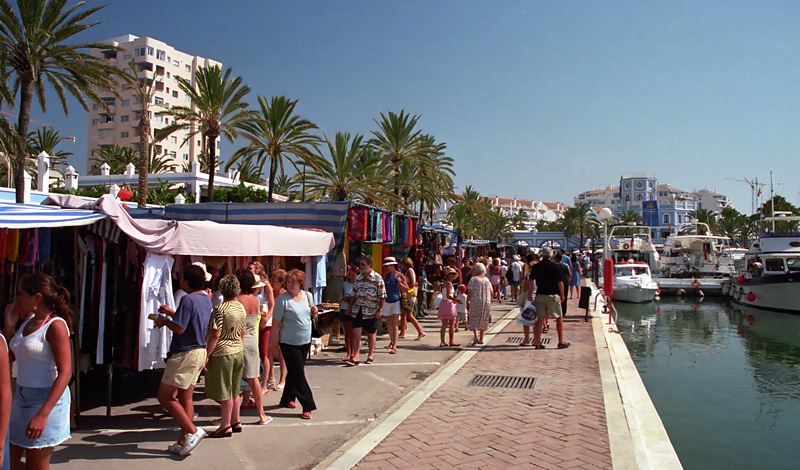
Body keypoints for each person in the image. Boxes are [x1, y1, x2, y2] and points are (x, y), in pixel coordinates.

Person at [4, 274, 73, 469]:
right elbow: (11, 357)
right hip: (21, 397)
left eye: (20, 295)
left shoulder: (55, 325)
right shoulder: (28, 322)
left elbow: (66, 372)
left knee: (36, 465)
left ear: (37, 298)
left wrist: (43, 414)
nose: (16, 300)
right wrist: (9, 327)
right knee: (8, 460)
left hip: (46, 399)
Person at [154, 265, 211, 455]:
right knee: (186, 397)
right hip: (199, 351)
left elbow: (180, 328)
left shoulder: (187, 299)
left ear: (186, 281)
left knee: (165, 397)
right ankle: (183, 439)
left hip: (185, 353)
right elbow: (191, 321)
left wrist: (164, 321)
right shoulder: (205, 299)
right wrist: (172, 313)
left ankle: (193, 432)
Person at [270, 269, 317, 419]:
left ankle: (287, 398)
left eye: (293, 282)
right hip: (288, 341)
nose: (290, 285)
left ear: (300, 284)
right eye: (288, 282)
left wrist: (315, 313)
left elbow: (310, 317)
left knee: (295, 371)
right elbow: (275, 324)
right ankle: (307, 404)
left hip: (305, 340)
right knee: (298, 373)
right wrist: (274, 344)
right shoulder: (282, 300)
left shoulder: (308, 296)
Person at [204, 274, 247, 438]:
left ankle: (225, 424)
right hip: (238, 350)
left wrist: (207, 355)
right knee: (235, 389)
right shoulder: (240, 307)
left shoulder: (219, 309)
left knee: (225, 391)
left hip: (223, 352)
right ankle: (236, 421)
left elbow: (216, 334)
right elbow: (242, 331)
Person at [235, 270, 272, 425]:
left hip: (238, 339)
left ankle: (232, 417)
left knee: (234, 381)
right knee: (254, 378)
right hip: (252, 341)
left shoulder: (236, 300)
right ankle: (262, 414)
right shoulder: (255, 300)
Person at [346, 256, 386, 366]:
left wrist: (380, 310)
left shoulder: (377, 278)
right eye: (360, 264)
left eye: (363, 264)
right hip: (358, 309)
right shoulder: (358, 278)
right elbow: (353, 294)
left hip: (371, 310)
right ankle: (356, 356)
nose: (361, 266)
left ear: (370, 265)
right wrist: (350, 307)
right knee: (356, 332)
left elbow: (382, 296)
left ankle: (370, 354)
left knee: (370, 333)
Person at [529, 247, 569, 350]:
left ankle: (537, 341)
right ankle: (560, 341)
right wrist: (562, 295)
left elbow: (531, 281)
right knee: (559, 317)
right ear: (552, 255)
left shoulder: (537, 266)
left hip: (540, 294)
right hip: (552, 295)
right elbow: (560, 282)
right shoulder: (555, 266)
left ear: (542, 255)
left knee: (540, 319)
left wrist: (530, 295)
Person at [249, 262, 275, 395]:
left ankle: (264, 385)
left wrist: (266, 319)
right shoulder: (251, 286)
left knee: (264, 352)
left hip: (264, 322)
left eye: (251, 268)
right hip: (253, 320)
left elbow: (272, 304)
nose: (249, 270)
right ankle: (253, 384)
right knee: (254, 352)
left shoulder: (266, 286)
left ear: (258, 271)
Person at [382, 257, 408, 354]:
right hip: (387, 301)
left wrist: (400, 283)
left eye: (388, 266)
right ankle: (392, 341)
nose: (387, 268)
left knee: (395, 324)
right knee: (388, 324)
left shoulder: (400, 276)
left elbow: (407, 288)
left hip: (396, 300)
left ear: (392, 265)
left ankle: (395, 345)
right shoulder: (386, 276)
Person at [267, 269, 288, 391]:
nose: (272, 283)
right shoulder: (270, 293)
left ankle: (282, 379)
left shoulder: (284, 295)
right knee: (269, 350)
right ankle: (271, 377)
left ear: (281, 283)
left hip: (282, 326)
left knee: (282, 355)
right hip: (272, 326)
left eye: (274, 281)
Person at [398, 257, 425, 340]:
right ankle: (402, 332)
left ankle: (420, 331)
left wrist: (402, 285)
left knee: (409, 314)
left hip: (409, 295)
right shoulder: (408, 271)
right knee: (404, 314)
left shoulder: (409, 271)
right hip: (407, 295)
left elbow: (412, 284)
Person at [467, 263, 493, 346]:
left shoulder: (473, 279)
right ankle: (481, 338)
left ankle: (475, 336)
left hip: (475, 300)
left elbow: (470, 291)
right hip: (486, 301)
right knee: (484, 317)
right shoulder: (487, 280)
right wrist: (490, 299)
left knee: (474, 317)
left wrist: (467, 301)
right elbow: (491, 292)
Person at [340, 266, 359, 363]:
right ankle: (348, 353)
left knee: (352, 333)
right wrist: (343, 298)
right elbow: (341, 295)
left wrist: (350, 302)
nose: (351, 277)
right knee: (346, 333)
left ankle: (353, 353)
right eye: (350, 275)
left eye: (353, 275)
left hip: (353, 310)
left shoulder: (358, 285)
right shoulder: (344, 284)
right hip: (344, 308)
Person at [437, 268, 460, 347]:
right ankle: (451, 340)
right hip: (449, 304)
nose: (454, 276)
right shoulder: (449, 284)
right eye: (452, 274)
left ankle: (442, 341)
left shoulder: (444, 283)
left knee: (444, 324)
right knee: (451, 324)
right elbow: (448, 295)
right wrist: (456, 300)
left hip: (443, 303)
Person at [554, 253, 571, 320]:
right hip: (564, 283)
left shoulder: (554, 266)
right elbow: (569, 274)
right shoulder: (565, 265)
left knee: (555, 297)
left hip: (555, 283)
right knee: (564, 297)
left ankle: (556, 312)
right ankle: (563, 312)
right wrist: (567, 280)